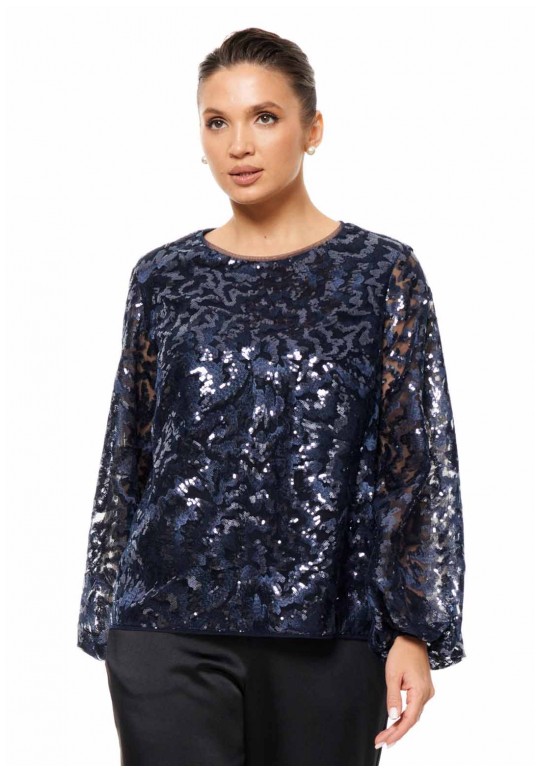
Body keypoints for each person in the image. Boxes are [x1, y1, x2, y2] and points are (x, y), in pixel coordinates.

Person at [77, 27, 466, 766]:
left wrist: (413, 628)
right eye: (216, 121)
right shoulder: (163, 277)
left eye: (264, 117)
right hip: (167, 625)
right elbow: (131, 451)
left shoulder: (381, 273)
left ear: (312, 129)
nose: (238, 144)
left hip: (331, 628)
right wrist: (108, 606)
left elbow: (414, 462)